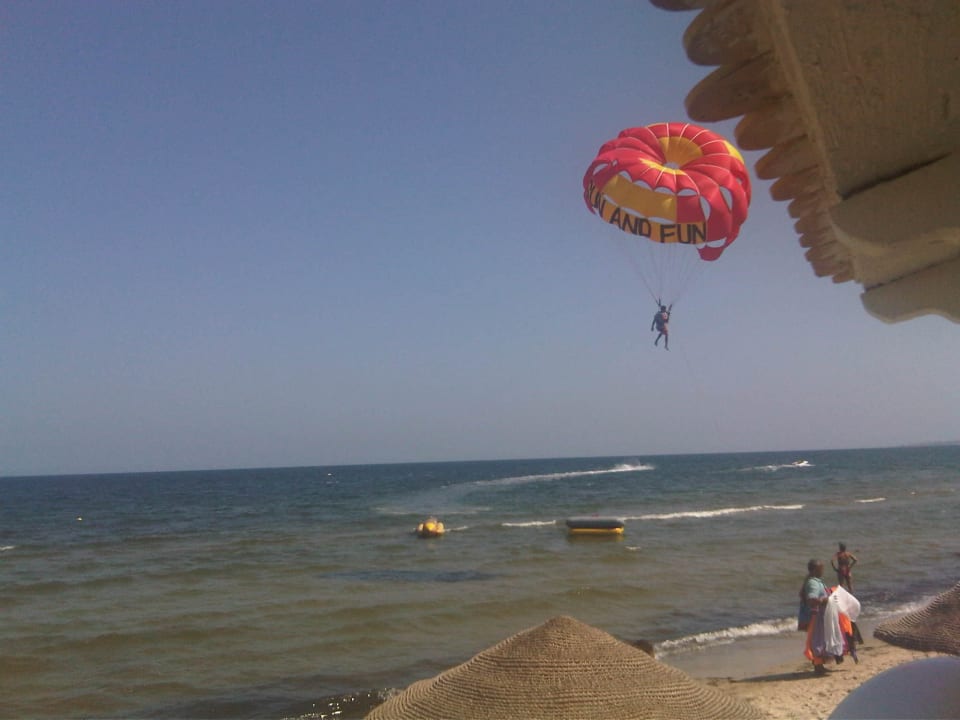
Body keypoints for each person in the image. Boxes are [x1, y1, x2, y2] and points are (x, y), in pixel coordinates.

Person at [801, 559, 834, 675]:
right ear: (815, 569)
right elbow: (811, 599)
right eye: (821, 569)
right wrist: (825, 600)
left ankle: (819, 665)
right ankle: (818, 667)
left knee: (820, 639)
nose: (823, 571)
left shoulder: (816, 581)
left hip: (820, 615)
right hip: (816, 616)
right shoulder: (813, 583)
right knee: (817, 640)